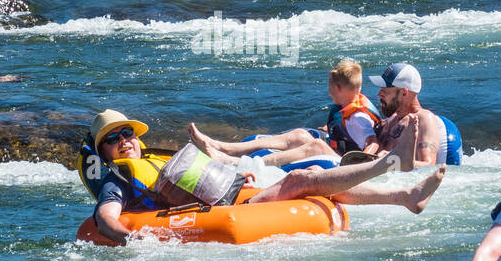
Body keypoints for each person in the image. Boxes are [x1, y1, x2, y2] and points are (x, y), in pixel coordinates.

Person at [89, 109, 446, 243]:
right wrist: (135, 243)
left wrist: (233, 178)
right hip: (213, 215)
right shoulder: (115, 180)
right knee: (301, 179)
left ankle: (405, 197)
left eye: (128, 134)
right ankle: (390, 165)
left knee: (312, 179)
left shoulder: (154, 159)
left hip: (230, 198)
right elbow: (106, 220)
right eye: (113, 139)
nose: (125, 142)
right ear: (104, 151)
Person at [187, 59, 381, 167]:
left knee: (315, 146)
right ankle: (224, 146)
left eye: (330, 87)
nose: (328, 91)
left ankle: (233, 162)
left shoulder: (358, 118)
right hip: (339, 151)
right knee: (299, 135)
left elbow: (372, 142)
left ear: (339, 88)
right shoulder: (350, 104)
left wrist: (362, 160)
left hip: (344, 164)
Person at [363, 62, 446, 168]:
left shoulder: (424, 119)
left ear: (404, 93)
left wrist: (391, 160)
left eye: (385, 91)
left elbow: (428, 165)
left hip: (399, 182)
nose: (379, 94)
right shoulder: (392, 119)